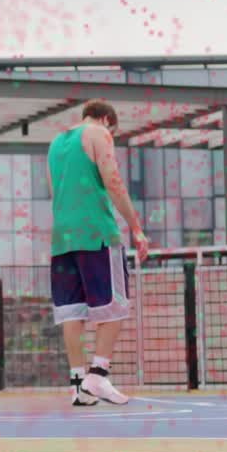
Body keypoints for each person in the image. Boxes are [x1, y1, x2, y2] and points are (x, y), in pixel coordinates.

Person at [46, 100, 150, 407]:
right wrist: (136, 227)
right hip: (97, 233)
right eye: (113, 133)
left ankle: (78, 385)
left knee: (72, 313)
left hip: (62, 237)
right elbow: (114, 182)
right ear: (106, 120)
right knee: (116, 304)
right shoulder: (97, 133)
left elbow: (55, 193)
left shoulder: (55, 144)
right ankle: (99, 374)